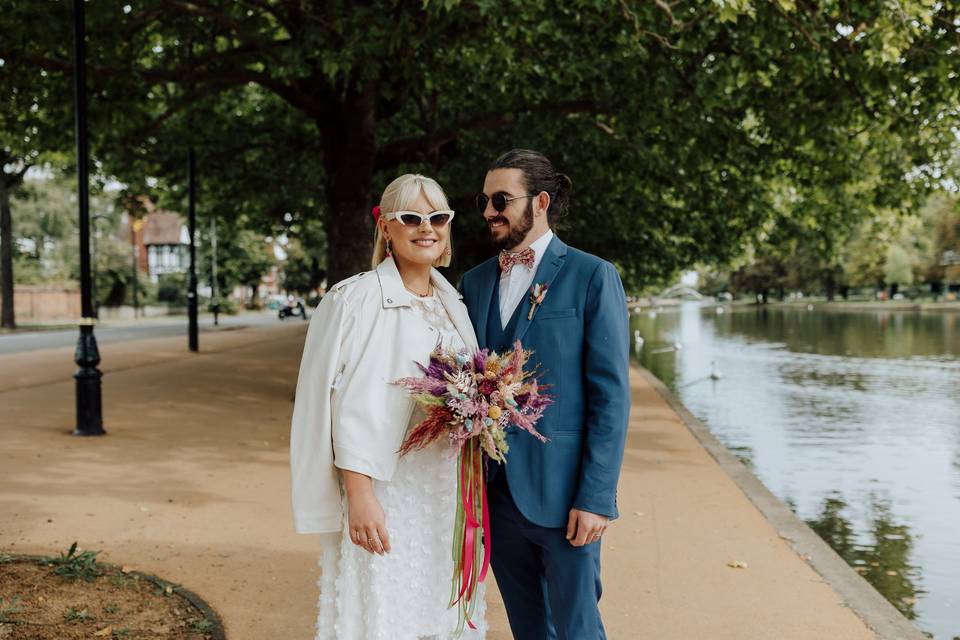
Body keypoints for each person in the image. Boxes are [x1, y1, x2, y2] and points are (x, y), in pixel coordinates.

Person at [289, 174, 487, 640]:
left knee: (441, 612)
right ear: (386, 228)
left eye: (438, 217)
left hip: (446, 490)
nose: (427, 228)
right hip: (385, 491)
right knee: (386, 614)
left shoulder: (453, 301)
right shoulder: (353, 299)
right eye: (411, 218)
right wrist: (359, 495)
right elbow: (333, 406)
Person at [458, 149, 631, 640]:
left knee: (577, 630)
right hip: (496, 494)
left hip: (565, 499)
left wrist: (596, 497)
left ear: (540, 202)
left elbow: (611, 399)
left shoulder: (592, 276)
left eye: (500, 199)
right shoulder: (472, 283)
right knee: (529, 629)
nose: (489, 210)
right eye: (483, 200)